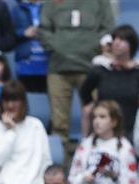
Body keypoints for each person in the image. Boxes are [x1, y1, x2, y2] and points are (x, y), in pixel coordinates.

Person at [38, 0, 115, 139]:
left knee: (97, 120)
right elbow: (44, 29)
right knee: (59, 124)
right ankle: (61, 159)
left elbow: (108, 28)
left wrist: (93, 46)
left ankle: (94, 156)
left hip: (91, 69)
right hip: (58, 68)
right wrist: (57, 47)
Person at [68, 99, 138, 184]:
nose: (96, 121)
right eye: (94, 117)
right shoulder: (85, 146)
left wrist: (114, 177)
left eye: (102, 117)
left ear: (114, 122)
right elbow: (72, 182)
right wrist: (84, 179)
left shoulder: (125, 148)